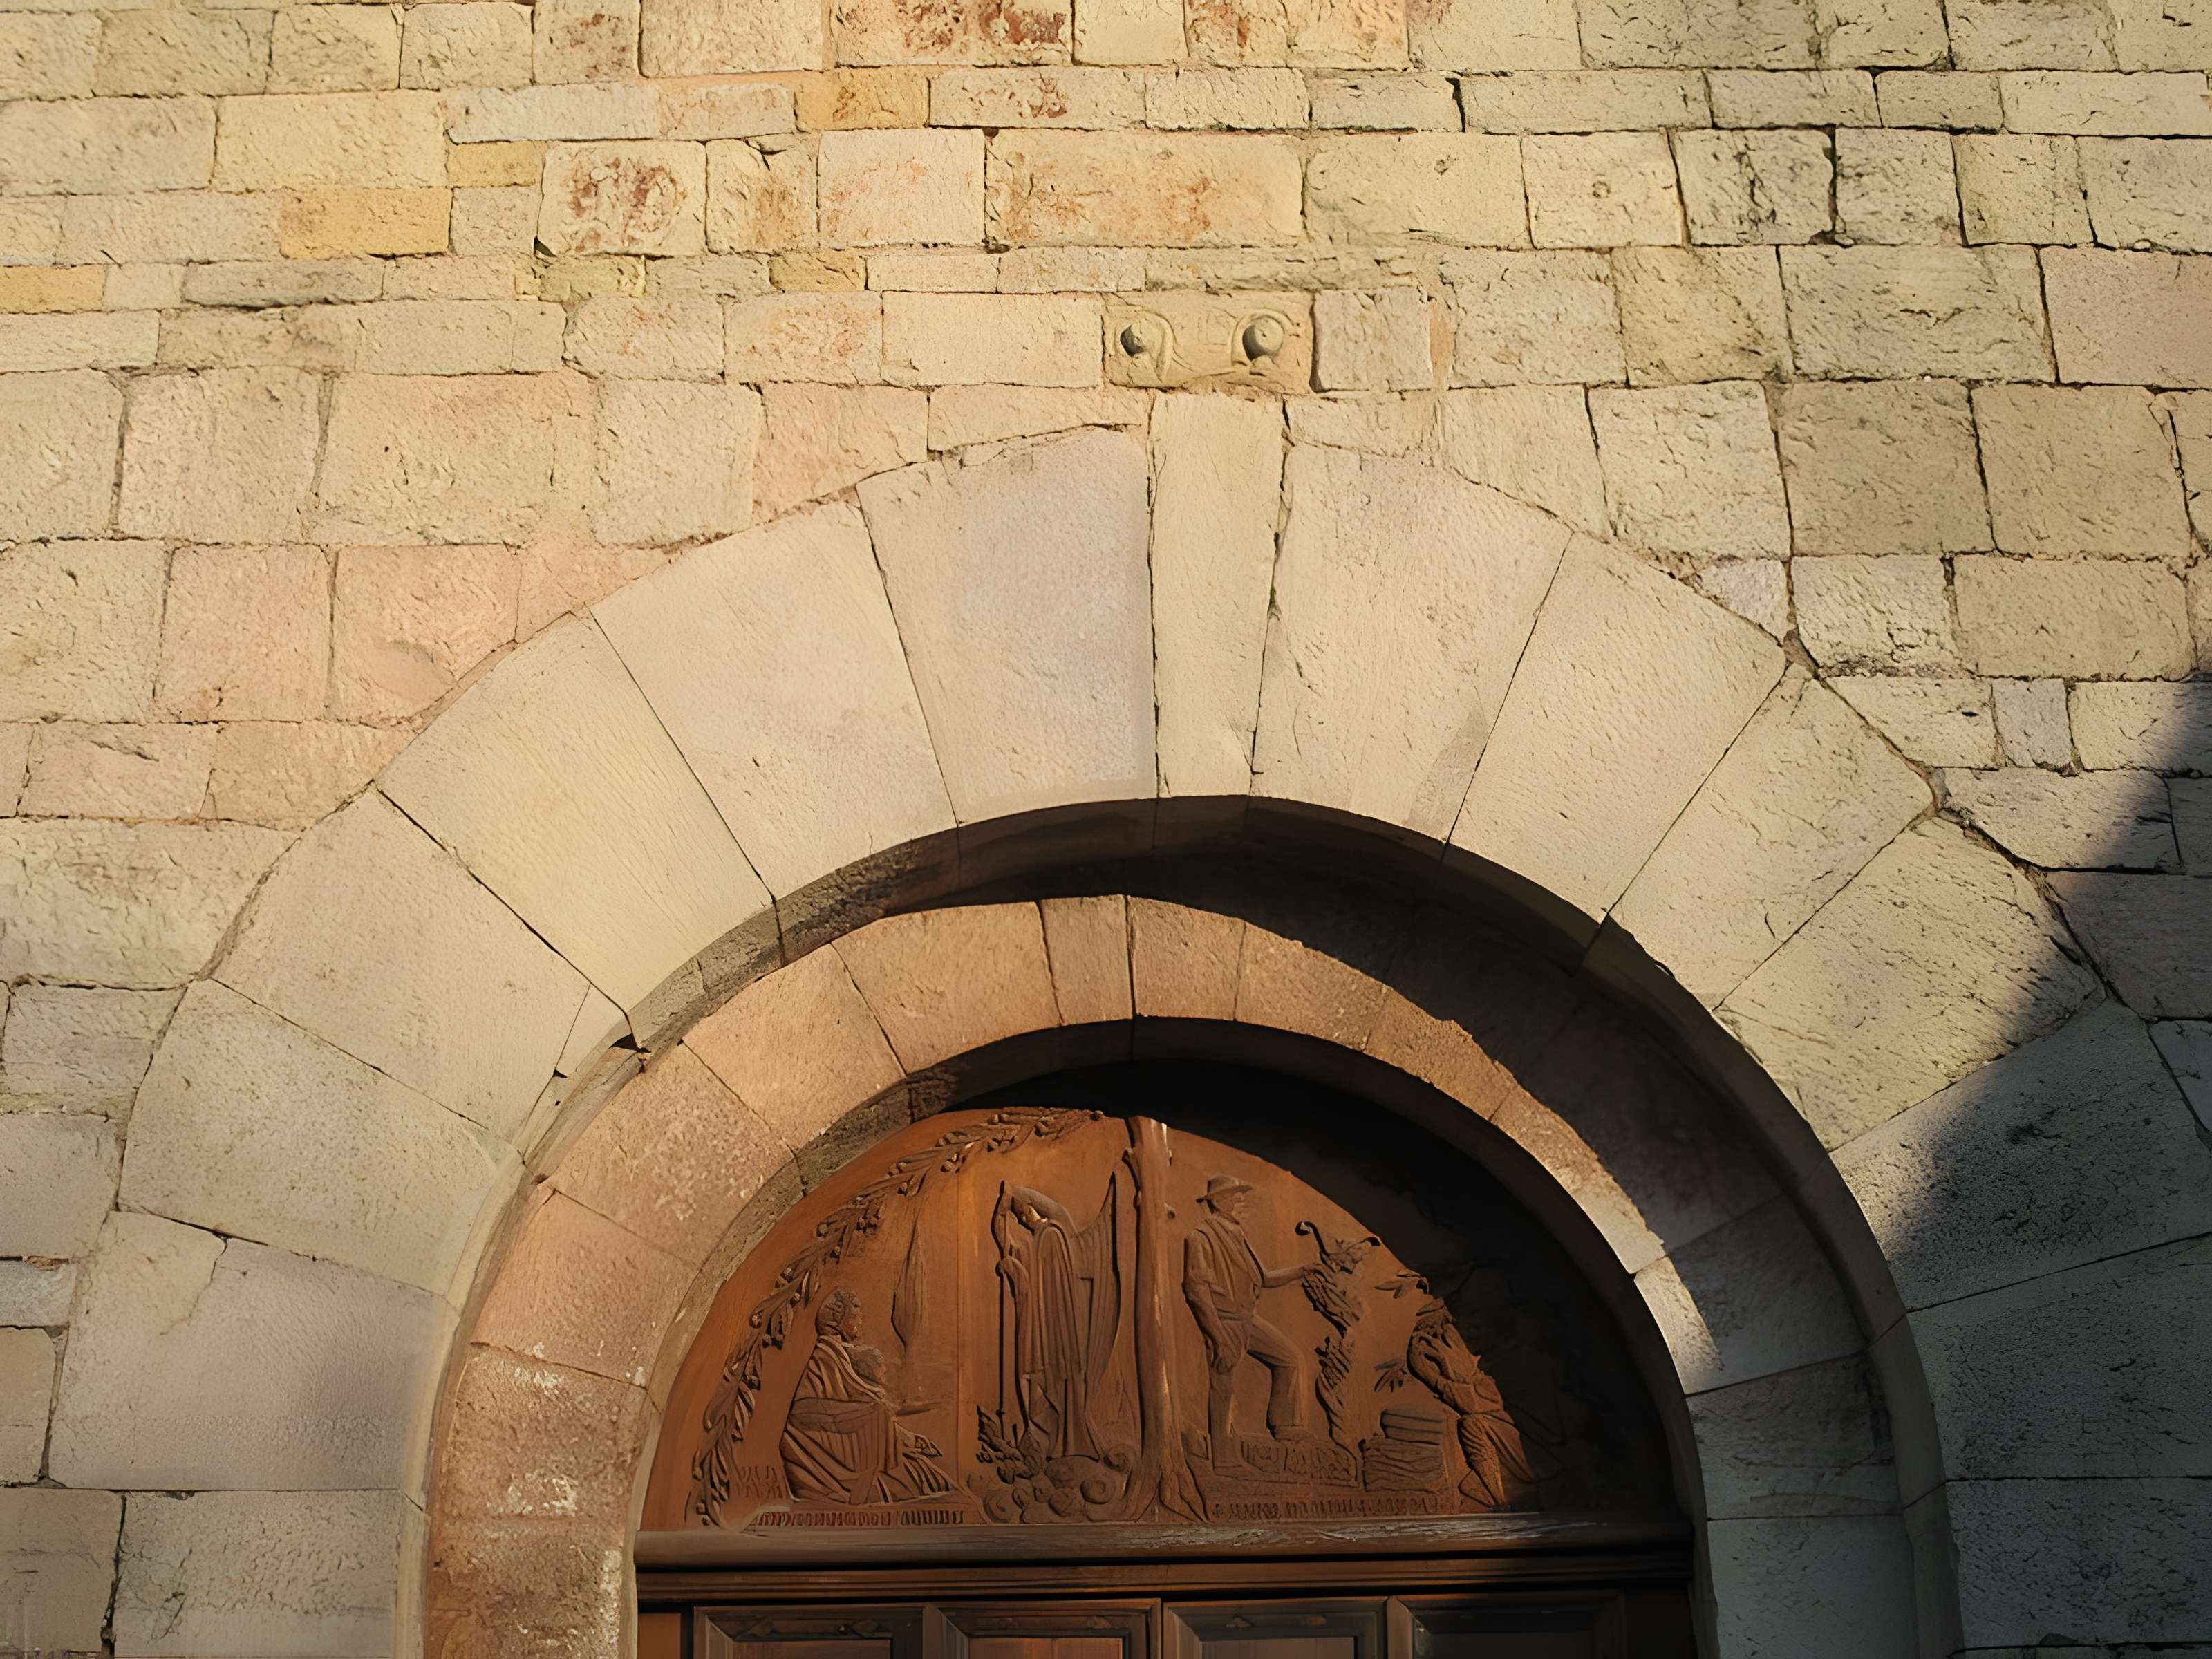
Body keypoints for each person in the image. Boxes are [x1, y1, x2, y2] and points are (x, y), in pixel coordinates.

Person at [1181, 1174, 1314, 1461]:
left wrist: (1304, 1270)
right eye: (1236, 1196)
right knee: (1223, 1388)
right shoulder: (1199, 1238)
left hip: (1247, 1318)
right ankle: (1224, 1459)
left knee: (1290, 1358)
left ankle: (1286, 1429)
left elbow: (1264, 1278)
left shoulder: (1238, 1234)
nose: (1242, 1201)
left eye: (1242, 1195)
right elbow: (1196, 1289)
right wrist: (1217, 1336)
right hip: (1224, 1322)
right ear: (1218, 1202)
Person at [778, 1288, 952, 1506]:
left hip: (857, 1442)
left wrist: (907, 1437)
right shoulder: (825, 1356)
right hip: (830, 1449)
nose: (860, 1322)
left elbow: (870, 1407)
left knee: (926, 1475)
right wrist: (865, 1412)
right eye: (854, 1317)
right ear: (836, 1321)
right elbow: (803, 1411)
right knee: (911, 1479)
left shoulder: (842, 1355)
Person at [995, 1181, 1119, 1461]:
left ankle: (1063, 1442)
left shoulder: (1052, 1236)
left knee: (1052, 1379)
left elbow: (1050, 1287)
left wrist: (1019, 1274)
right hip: (1043, 1321)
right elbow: (1009, 1247)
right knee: (1040, 1379)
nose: (1021, 1219)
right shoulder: (1039, 1240)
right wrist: (1001, 1214)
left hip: (1054, 1325)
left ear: (1030, 1209)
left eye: (1021, 1214)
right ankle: (1047, 1441)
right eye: (1018, 1216)